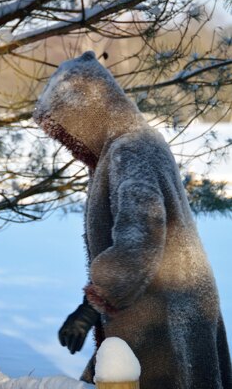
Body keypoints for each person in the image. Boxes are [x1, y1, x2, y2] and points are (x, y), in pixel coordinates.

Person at [33, 51, 232, 389]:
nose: (68, 142)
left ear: (86, 115)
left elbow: (140, 237)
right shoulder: (130, 143)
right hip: (166, 302)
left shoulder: (130, 149)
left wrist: (90, 307)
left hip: (164, 312)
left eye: (65, 127)